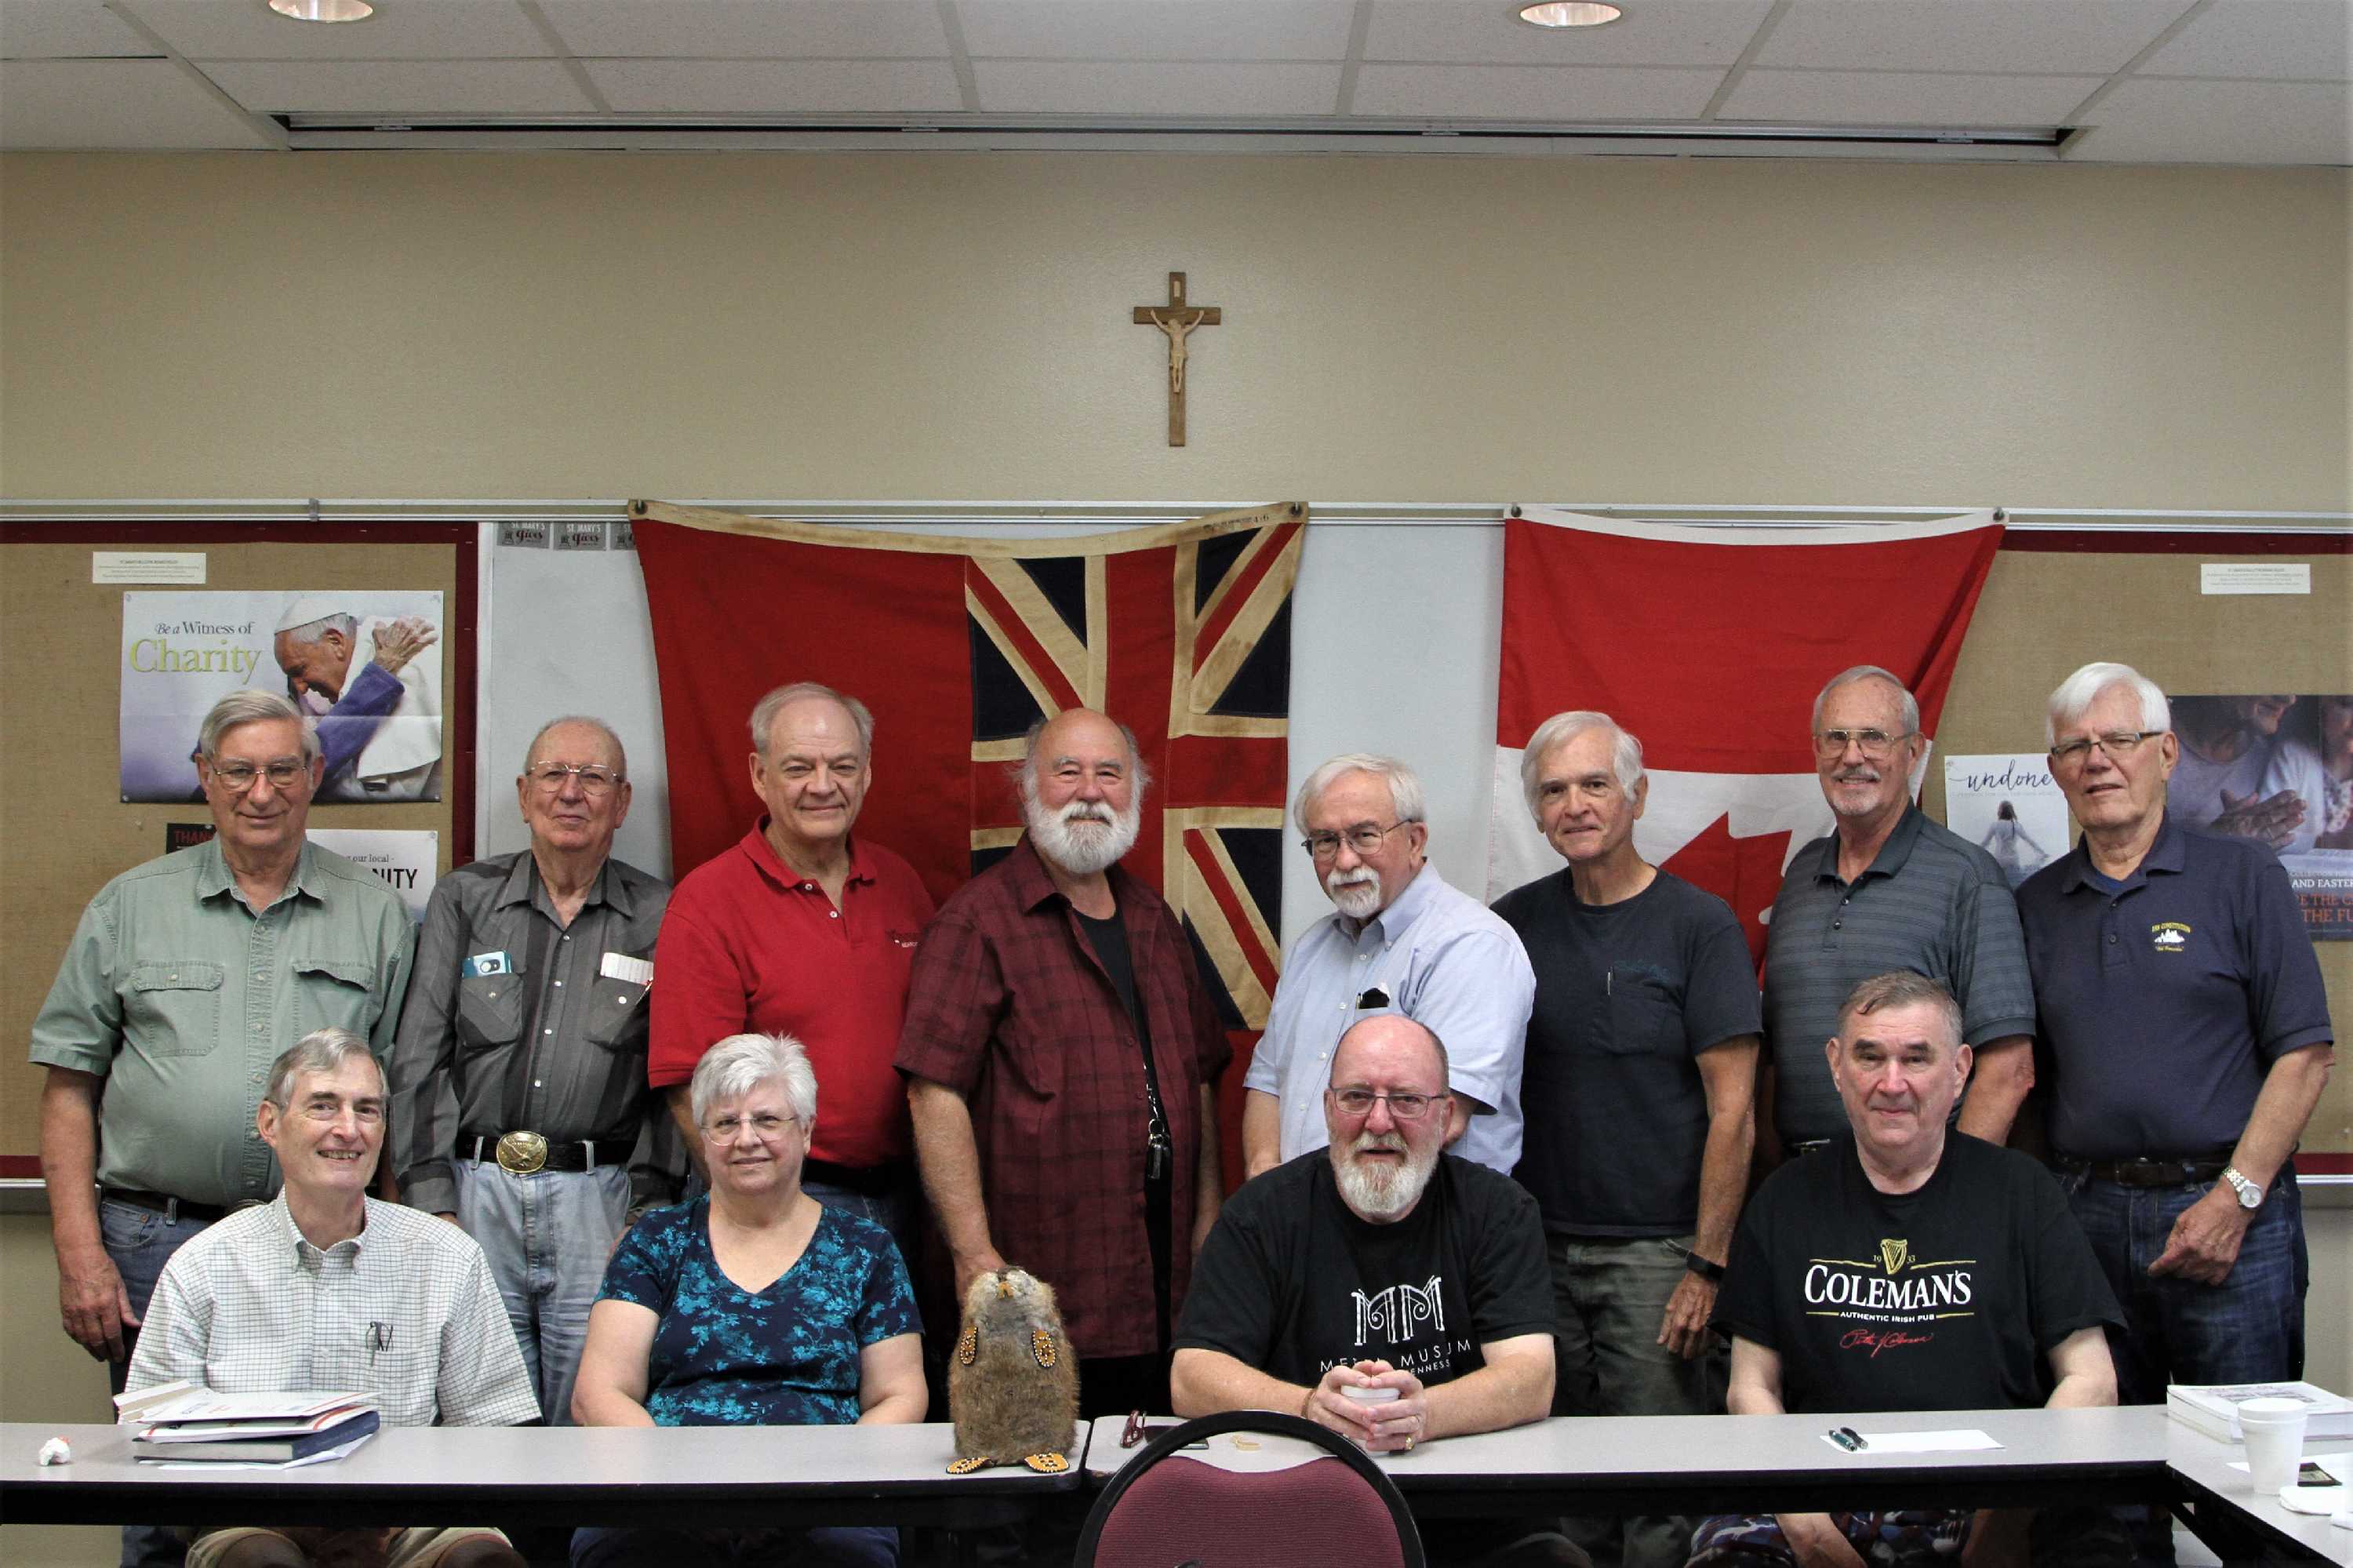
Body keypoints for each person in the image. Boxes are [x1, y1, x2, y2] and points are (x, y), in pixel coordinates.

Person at [31, 688, 415, 1567]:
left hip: (321, 1250)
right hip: (152, 1238)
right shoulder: (129, 905)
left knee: (331, 1488)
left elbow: (404, 1095)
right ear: (204, 780)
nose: (261, 791)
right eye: (238, 770)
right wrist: (78, 1251)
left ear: (316, 776)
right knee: (161, 1491)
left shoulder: (377, 913)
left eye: (283, 768)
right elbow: (68, 1087)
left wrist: (399, 1244)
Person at [1689, 973, 2126, 1568]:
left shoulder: (2023, 1193)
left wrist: (2006, 1516)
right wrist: (1814, 1537)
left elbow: (2092, 1380)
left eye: (1916, 1058)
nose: (1891, 1083)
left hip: (1997, 1489)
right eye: (1871, 1056)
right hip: (1821, 1492)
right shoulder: (1784, 1199)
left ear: (1959, 1070)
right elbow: (1751, 1389)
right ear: (1838, 1065)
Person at [2017, 664, 2334, 1416]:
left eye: (2120, 739)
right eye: (2076, 747)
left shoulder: (2245, 875)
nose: (2098, 761)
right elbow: (2026, 1074)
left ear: (2165, 755)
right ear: (2055, 772)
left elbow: (2306, 1054)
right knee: (2100, 1482)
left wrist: (2237, 1197)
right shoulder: (2033, 903)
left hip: (2230, 1210)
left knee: (2240, 1472)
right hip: (2084, 1216)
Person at [899, 708, 1227, 1417]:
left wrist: (1207, 1217)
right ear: (1025, 790)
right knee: (1037, 1495)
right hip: (1039, 1273)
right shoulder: (977, 923)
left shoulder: (1155, 923)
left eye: (1109, 772)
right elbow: (934, 1093)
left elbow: (1200, 1076)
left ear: (1135, 790)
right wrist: (972, 1253)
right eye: (1066, 771)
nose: (1089, 790)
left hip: (1160, 1275)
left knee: (1143, 1480)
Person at [1493, 712, 1759, 1568]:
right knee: (1561, 1486)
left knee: (1660, 1494)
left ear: (1637, 795)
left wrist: (1706, 1266)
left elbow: (1736, 1110)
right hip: (1535, 1253)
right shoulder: (1508, 929)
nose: (1576, 804)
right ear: (1536, 812)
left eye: (1595, 783)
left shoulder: (1699, 925)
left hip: (1660, 1257)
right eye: (1556, 790)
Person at [1173, 1014, 1581, 1568]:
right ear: (1327, 1108)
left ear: (1444, 1114)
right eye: (1357, 1096)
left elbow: (1532, 1378)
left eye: (1407, 1100)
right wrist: (1309, 1409)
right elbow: (1192, 1375)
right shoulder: (1260, 1216)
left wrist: (1422, 1415)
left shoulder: (1499, 1212)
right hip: (1303, 1519)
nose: (1379, 1121)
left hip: (1477, 1524)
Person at [126, 1030, 540, 1568]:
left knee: (488, 1564)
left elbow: (496, 1431)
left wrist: (409, 1502)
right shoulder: (206, 1263)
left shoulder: (446, 1257)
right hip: (254, 1518)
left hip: (411, 1521)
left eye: (367, 1110)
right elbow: (149, 1432)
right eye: (324, 1106)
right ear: (270, 1123)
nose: (348, 1129)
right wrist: (266, 1502)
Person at [389, 716, 676, 1432]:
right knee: (479, 1412)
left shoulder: (664, 914)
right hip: (474, 1195)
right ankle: (489, 1549)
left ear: (623, 801)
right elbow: (418, 1059)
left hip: (602, 1203)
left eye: (593, 778)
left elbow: (676, 1079)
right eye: (553, 774)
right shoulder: (465, 900)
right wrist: (434, 1208)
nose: (571, 793)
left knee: (594, 1409)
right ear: (523, 794)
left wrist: (646, 1214)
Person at [571, 1032, 924, 1568]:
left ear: (806, 1130)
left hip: (825, 1498)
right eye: (725, 1122)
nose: (745, 1138)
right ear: (704, 1136)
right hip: (664, 1494)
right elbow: (599, 1393)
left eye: (766, 1119)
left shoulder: (866, 1248)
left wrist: (808, 1494)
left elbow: (899, 1397)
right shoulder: (656, 1240)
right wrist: (686, 1495)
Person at [649, 682, 934, 1256]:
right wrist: (765, 1216)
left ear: (868, 774)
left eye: (842, 766)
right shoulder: (708, 901)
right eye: (799, 767)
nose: (823, 786)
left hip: (911, 1196)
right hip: (788, 1201)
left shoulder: (902, 885)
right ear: (759, 774)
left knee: (906, 1350)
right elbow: (691, 1090)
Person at [1759, 664, 2036, 1158]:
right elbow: (1774, 1057)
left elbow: (2008, 1068)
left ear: (1912, 753)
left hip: (1915, 1185)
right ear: (1816, 750)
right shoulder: (1800, 876)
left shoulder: (1968, 878)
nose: (1852, 756)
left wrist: (1951, 1194)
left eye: (1873, 737)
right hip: (1801, 1186)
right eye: (1835, 738)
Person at [1244, 752, 1533, 1177]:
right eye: (1325, 841)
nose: (1344, 861)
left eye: (1364, 835)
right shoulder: (1313, 948)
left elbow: (1438, 1119)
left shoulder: (1471, 945)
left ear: (1415, 840)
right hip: (1301, 1221)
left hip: (1421, 1229)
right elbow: (1269, 1081)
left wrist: (1302, 1197)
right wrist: (1267, 1179)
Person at [272, 596, 443, 802]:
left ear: (336, 642)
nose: (301, 687)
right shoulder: (380, 654)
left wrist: (307, 786)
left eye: (300, 670)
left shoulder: (410, 658)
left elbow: (386, 793)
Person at [2167, 693, 2327, 855]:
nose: (2289, 699)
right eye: (2274, 678)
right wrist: (2213, 845)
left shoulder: (2267, 756)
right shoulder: (2149, 737)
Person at [1977, 799, 2052, 890]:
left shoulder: (1995, 825)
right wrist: (2042, 852)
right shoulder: (2016, 826)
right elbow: (2029, 840)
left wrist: (1974, 851)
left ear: (2000, 811)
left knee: (2001, 886)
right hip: (2013, 860)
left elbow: (1986, 842)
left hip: (2000, 860)